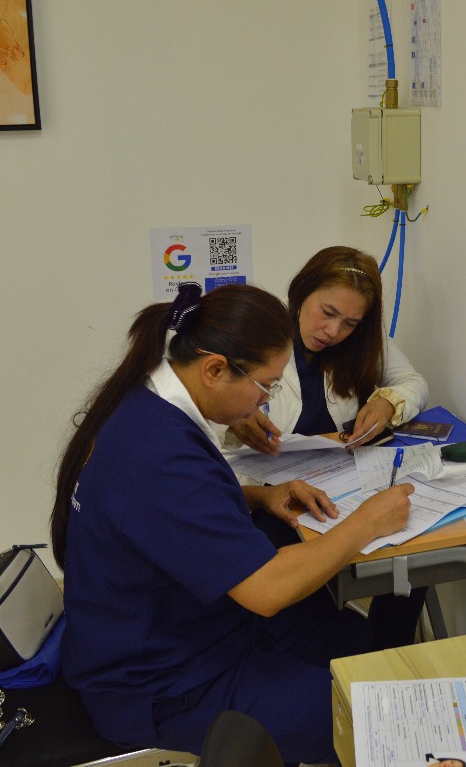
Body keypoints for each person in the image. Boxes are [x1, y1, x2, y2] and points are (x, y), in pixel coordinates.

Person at [50, 281, 414, 763]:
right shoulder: (160, 452)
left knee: (346, 637)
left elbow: (161, 511)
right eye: (266, 386)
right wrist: (367, 522)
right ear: (214, 370)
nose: (264, 403)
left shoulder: (144, 404)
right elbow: (267, 591)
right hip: (160, 685)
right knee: (367, 717)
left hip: (180, 635)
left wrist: (260, 496)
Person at [220, 246, 430, 648]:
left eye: (350, 323)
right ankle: (318, 645)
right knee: (283, 574)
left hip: (337, 485)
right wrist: (234, 413)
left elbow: (413, 382)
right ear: (301, 294)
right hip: (267, 496)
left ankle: (387, 651)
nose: (333, 331)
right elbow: (196, 412)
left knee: (411, 547)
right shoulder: (254, 337)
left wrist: (388, 402)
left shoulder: (363, 345)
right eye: (327, 312)